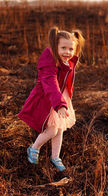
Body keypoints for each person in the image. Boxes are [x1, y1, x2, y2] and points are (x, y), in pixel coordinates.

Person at [18, 27, 85, 172]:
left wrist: (63, 101)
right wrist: (59, 104)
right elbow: (50, 83)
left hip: (60, 98)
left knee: (60, 128)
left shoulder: (68, 61)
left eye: (71, 49)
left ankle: (55, 157)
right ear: (55, 46)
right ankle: (34, 148)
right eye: (63, 48)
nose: (67, 52)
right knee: (52, 130)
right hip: (48, 99)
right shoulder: (49, 59)